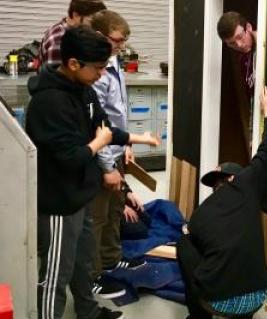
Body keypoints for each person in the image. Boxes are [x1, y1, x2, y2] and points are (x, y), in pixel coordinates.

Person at [26, 26, 159, 319]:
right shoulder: (48, 103)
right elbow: (70, 157)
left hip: (81, 194)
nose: (102, 74)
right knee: (56, 272)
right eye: (98, 68)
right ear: (74, 64)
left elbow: (103, 127)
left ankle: (88, 311)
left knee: (83, 262)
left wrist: (136, 139)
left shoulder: (82, 89)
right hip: (59, 202)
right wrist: (98, 143)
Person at [177, 87, 267, 319]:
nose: (216, 187)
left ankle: (197, 316)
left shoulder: (200, 214)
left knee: (183, 243)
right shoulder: (247, 187)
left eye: (218, 181)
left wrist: (189, 231)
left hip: (217, 304)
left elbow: (196, 241)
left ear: (231, 179)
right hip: (257, 297)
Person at [88, 9, 146, 299]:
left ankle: (110, 260)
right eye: (117, 41)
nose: (121, 46)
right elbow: (97, 124)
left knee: (113, 212)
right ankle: (92, 275)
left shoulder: (112, 61)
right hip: (103, 156)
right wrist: (107, 164)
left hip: (116, 151)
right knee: (97, 217)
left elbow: (118, 111)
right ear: (99, 35)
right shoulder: (95, 71)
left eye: (123, 42)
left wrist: (128, 146)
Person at [39, 0, 107, 66]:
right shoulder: (59, 40)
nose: (96, 26)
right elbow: (54, 76)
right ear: (76, 15)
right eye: (92, 20)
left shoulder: (77, 33)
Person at [217, 11, 257, 101]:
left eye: (240, 37)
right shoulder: (243, 61)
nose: (239, 45)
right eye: (232, 43)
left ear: (248, 27)